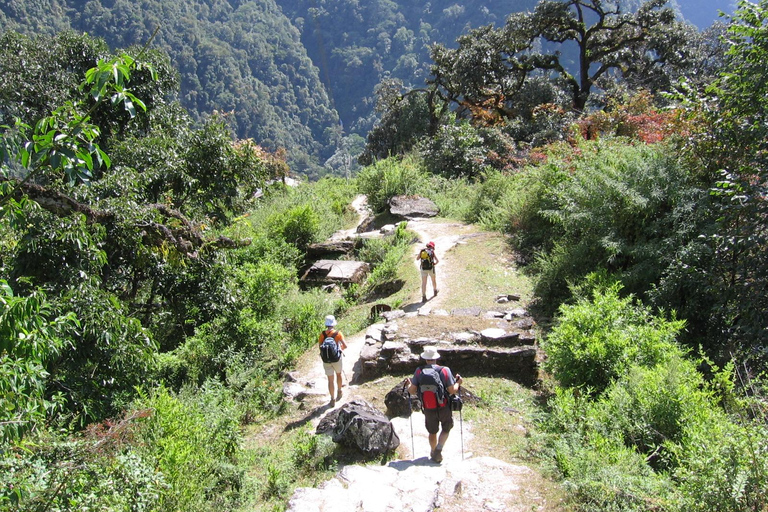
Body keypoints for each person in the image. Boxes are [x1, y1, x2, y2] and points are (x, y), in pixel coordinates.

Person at [406, 346, 463, 463]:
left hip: (428, 407)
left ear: (425, 359)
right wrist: (458, 383)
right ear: (436, 358)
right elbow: (452, 390)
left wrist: (408, 384)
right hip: (444, 406)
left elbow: (411, 391)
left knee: (432, 432)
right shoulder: (444, 370)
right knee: (446, 428)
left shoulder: (419, 371)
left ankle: (433, 452)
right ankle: (439, 448)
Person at [319, 315, 347, 406]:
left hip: (326, 360)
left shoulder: (322, 334)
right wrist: (340, 349)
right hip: (336, 358)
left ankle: (332, 399)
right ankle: (339, 391)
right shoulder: (338, 333)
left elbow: (320, 347)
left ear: (326, 324)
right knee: (339, 374)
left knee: (330, 380)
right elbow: (345, 346)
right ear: (333, 323)